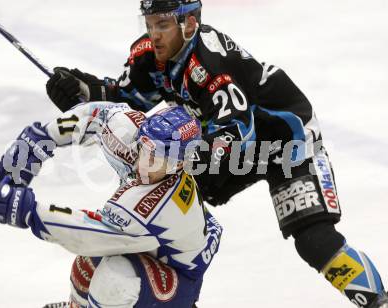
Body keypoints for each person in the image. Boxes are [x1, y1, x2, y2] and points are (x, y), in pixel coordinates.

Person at [44, 0, 387, 307]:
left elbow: (239, 135)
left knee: (315, 241)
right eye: (149, 24)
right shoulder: (150, 54)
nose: (154, 34)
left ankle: (378, 301)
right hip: (233, 144)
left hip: (287, 145)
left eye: (163, 24)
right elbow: (127, 99)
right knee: (165, 200)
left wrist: (176, 159)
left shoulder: (209, 63)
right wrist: (83, 90)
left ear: (189, 23)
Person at [0, 103, 222, 307]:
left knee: (113, 279)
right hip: (154, 248)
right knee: (85, 267)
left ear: (179, 164)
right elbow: (96, 116)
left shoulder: (162, 205)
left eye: (161, 158)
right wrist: (42, 138)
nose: (146, 163)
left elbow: (87, 233)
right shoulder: (132, 133)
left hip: (178, 276)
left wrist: (24, 210)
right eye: (146, 148)